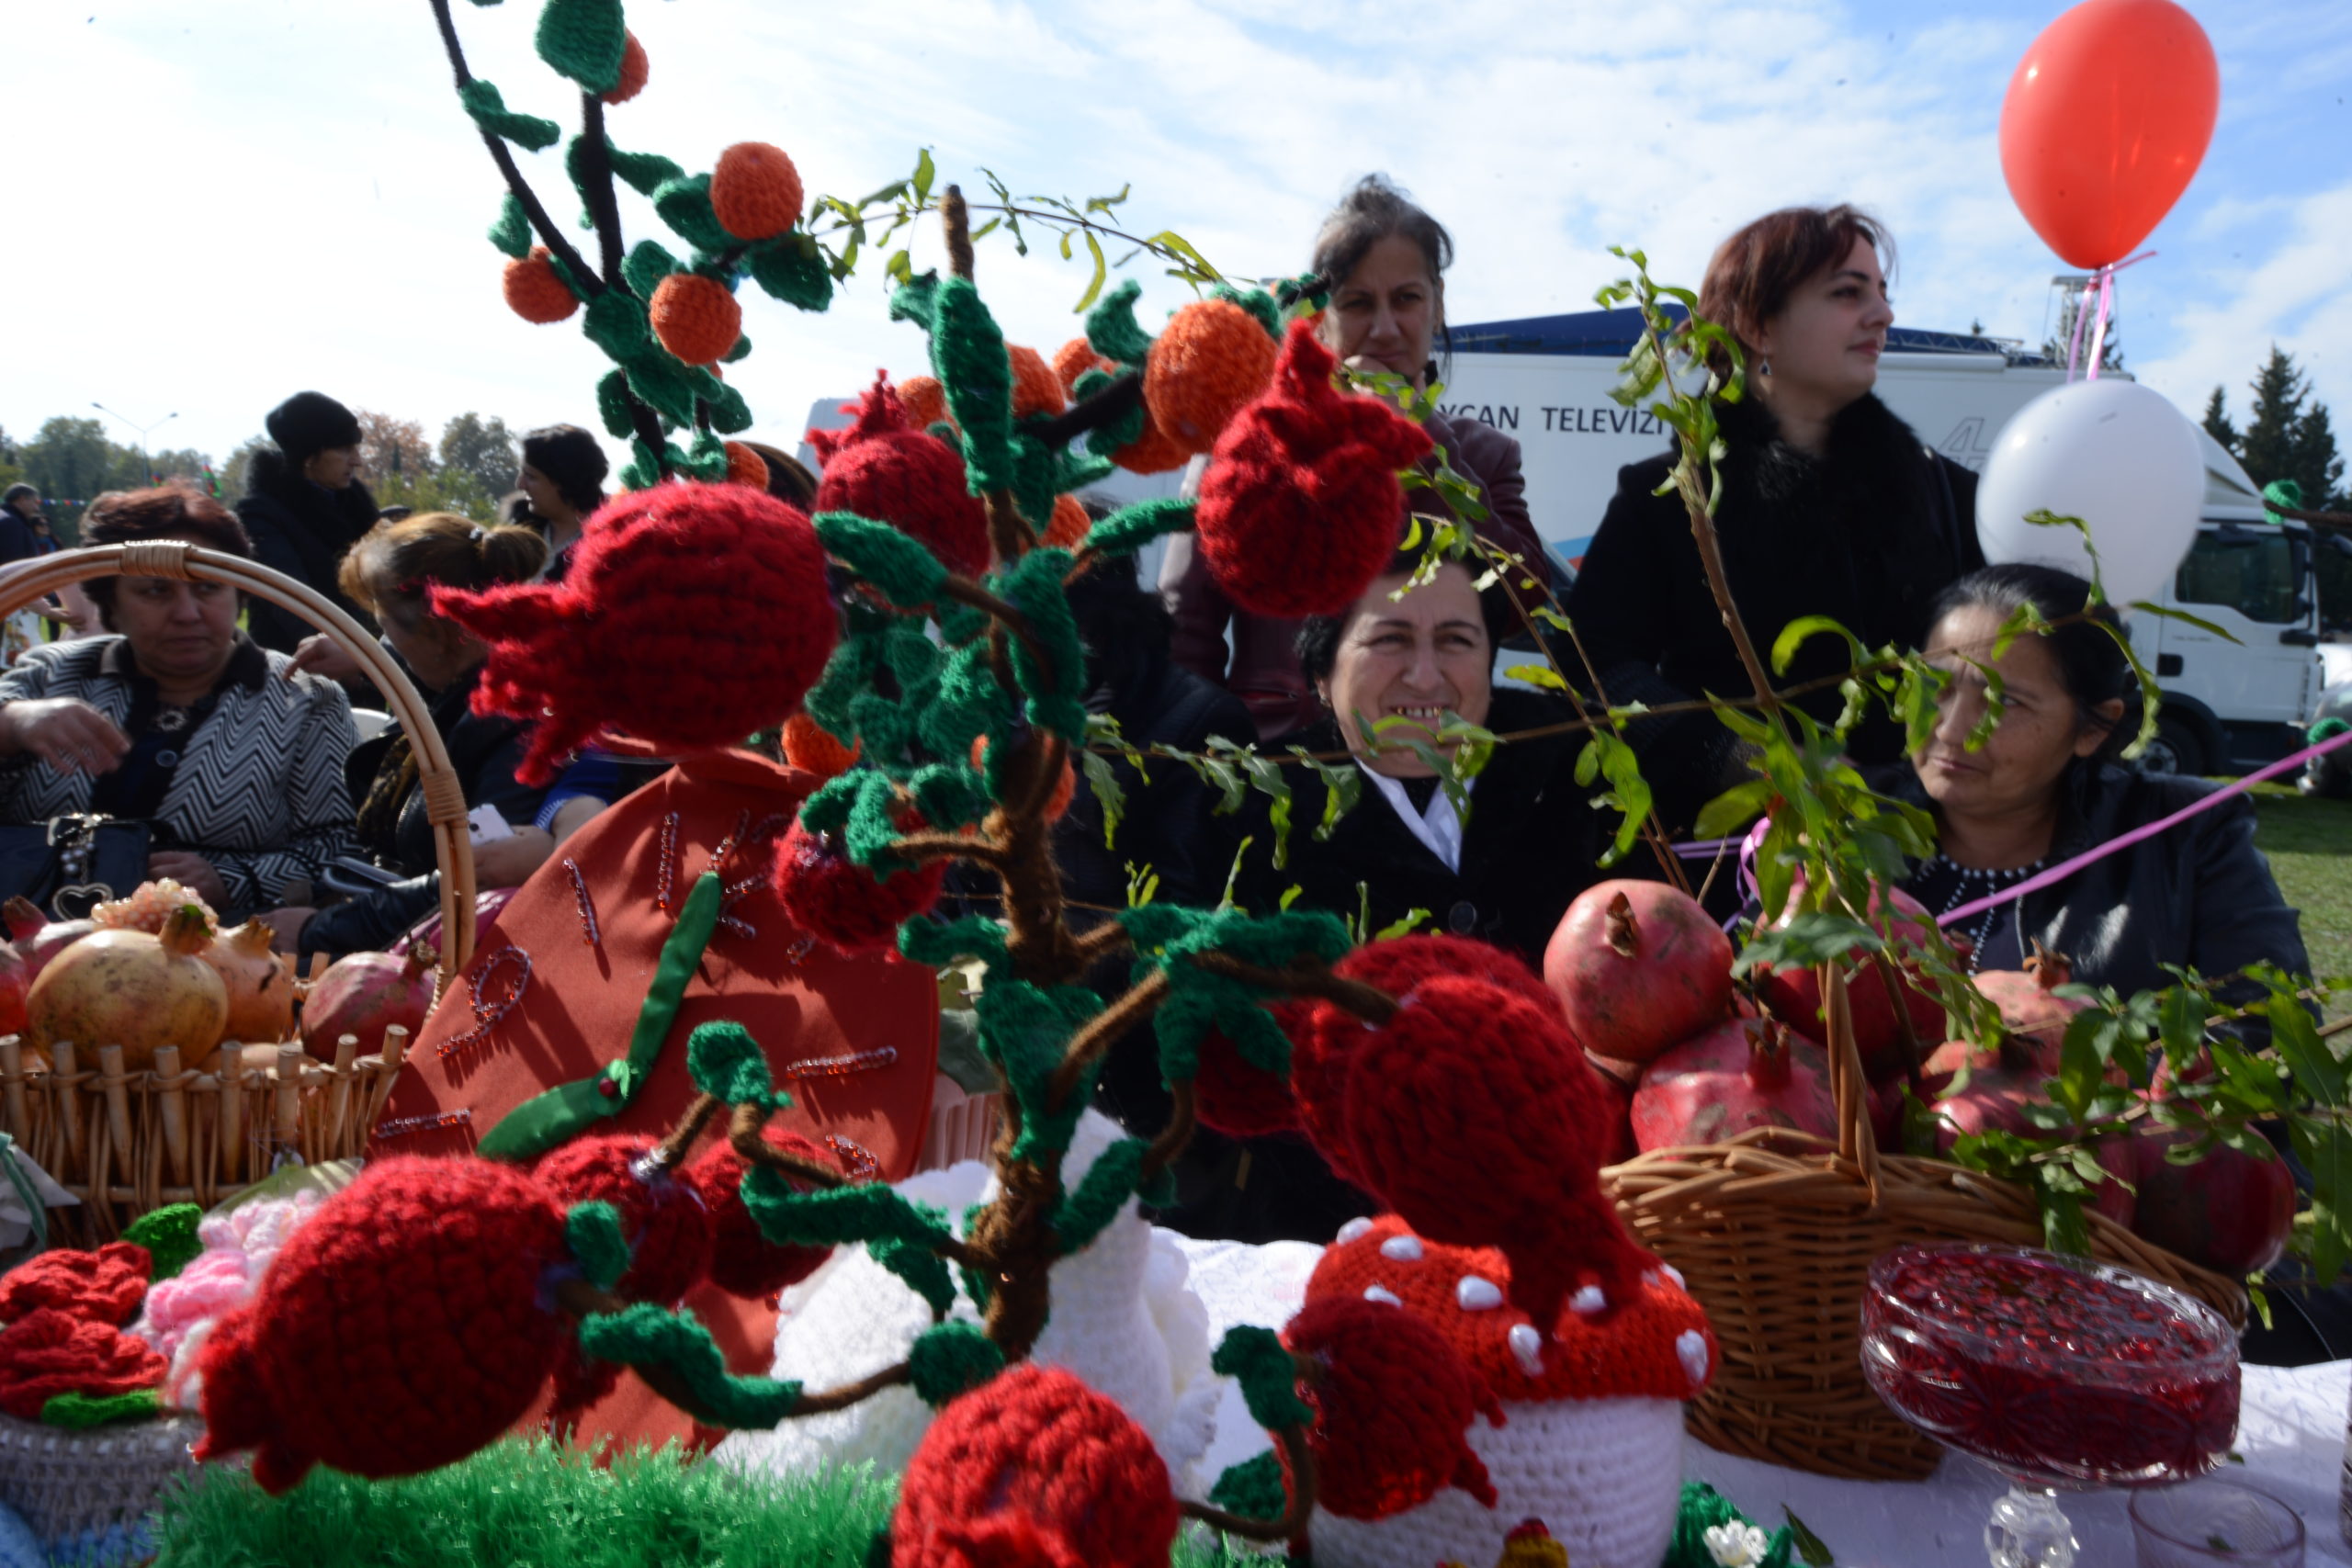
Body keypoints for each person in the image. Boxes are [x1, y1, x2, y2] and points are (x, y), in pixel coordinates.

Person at [1159, 554, 1606, 1243]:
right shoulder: (1252, 810)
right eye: (1390, 639)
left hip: (1574, 1192)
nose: (1425, 676)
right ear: (1321, 672)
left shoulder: (1574, 766)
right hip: (1334, 1223)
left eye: (1456, 641)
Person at [1566, 204, 1984, 833]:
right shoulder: (1668, 497)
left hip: (1922, 847)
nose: (1884, 315)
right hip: (1729, 860)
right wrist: (1742, 758)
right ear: (1757, 325)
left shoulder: (1945, 493)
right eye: (1848, 292)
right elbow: (1593, 666)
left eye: (1882, 292)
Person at [1160, 175, 1554, 741]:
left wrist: (1419, 444)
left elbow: (1524, 602)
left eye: (1407, 299)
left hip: (1431, 752)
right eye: (1358, 303)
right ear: (1322, 317)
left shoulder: (1484, 455)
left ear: (1438, 304)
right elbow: (1184, 635)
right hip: (1278, 757)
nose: (1385, 328)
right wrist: (1214, 759)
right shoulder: (1252, 443)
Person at [1894, 563, 2305, 996]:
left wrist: (2073, 1033)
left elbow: (2262, 1020)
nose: (1950, 730)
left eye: (2004, 701)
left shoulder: (2187, 840)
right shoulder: (1856, 821)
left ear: (2093, 728)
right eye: (1933, 686)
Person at [0, 486, 358, 920]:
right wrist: (11, 725)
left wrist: (233, 880)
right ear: (111, 603)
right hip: (27, 938)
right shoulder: (51, 673)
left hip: (213, 946)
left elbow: (337, 846)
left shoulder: (304, 698)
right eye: (155, 591)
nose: (187, 613)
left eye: (208, 587)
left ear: (240, 593)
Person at [266, 513, 554, 959]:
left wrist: (315, 931)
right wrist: (364, 654)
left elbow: (469, 885)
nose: (385, 643)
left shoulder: (516, 725)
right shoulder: (475, 678)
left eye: (385, 628)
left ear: (439, 634)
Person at [235, 391, 381, 654]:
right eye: (344, 449)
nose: (357, 460)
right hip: (298, 667)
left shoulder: (357, 509)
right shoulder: (259, 516)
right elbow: (291, 600)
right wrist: (354, 655)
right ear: (309, 456)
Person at [514, 424, 608, 581]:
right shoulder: (518, 534)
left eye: (530, 476)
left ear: (564, 481)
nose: (520, 484)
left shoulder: (607, 545)